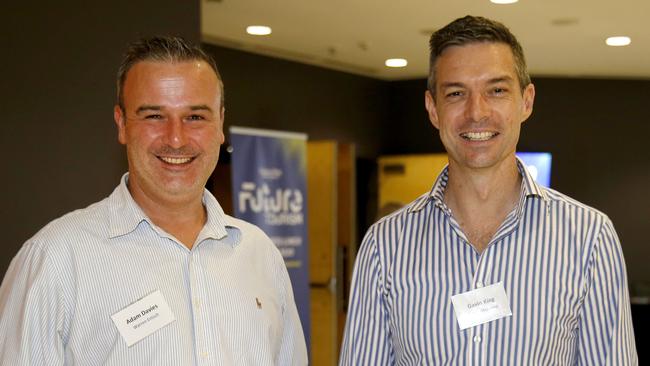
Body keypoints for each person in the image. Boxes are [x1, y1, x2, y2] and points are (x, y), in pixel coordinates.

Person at [340, 16, 638, 365]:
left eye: (496, 90)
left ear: (526, 101)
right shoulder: (384, 246)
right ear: (433, 109)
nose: (476, 112)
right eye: (456, 94)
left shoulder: (589, 238)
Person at [0, 36, 307, 365]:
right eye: (154, 116)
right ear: (122, 124)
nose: (176, 138)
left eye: (195, 117)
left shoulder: (260, 254)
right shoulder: (56, 261)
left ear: (220, 124)